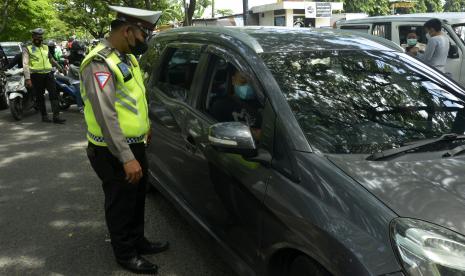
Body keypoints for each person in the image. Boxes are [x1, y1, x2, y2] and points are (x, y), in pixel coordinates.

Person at [79, 5, 166, 274]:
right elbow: (106, 115)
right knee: (120, 202)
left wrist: (146, 126)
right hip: (112, 151)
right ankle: (125, 253)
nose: (145, 41)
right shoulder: (100, 63)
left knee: (137, 197)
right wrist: (126, 157)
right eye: (144, 35)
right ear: (127, 31)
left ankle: (138, 240)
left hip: (134, 143)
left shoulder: (127, 57)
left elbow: (135, 98)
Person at [23, 28, 65, 123]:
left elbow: (51, 59)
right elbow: (25, 64)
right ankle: (44, 116)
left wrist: (59, 67)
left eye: (40, 37)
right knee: (40, 96)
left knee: (54, 95)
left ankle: (56, 117)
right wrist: (27, 78)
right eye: (37, 37)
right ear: (33, 37)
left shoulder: (45, 47)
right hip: (36, 75)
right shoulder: (27, 48)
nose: (39, 39)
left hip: (48, 74)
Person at [210, 67, 263, 139]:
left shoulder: (264, 104)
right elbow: (219, 134)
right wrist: (253, 134)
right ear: (233, 80)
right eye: (243, 82)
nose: (248, 87)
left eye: (252, 84)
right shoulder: (221, 105)